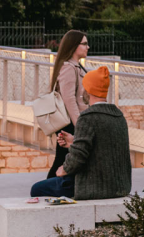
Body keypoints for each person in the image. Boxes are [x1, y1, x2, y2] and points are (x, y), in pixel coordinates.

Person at [30, 67, 132, 200]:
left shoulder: (87, 117)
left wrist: (64, 169)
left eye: (84, 87)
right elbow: (102, 148)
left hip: (92, 186)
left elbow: (78, 158)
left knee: (36, 189)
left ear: (89, 91)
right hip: (119, 186)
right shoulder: (118, 116)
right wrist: (74, 141)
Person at [47, 30, 90, 179]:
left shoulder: (76, 67)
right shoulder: (68, 68)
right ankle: (46, 189)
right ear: (73, 46)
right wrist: (79, 124)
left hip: (71, 120)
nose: (88, 47)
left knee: (66, 159)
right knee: (62, 159)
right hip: (69, 122)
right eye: (84, 44)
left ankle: (52, 189)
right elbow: (69, 98)